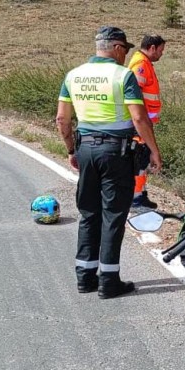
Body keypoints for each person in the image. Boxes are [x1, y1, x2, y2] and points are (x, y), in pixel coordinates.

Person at [56, 26, 162, 298]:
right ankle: (109, 281)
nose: (126, 55)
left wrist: (71, 150)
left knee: (89, 213)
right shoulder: (123, 76)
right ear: (116, 48)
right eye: (125, 50)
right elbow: (139, 118)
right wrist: (153, 150)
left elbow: (62, 120)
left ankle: (85, 277)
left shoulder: (73, 75)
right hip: (116, 152)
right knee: (113, 215)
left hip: (86, 149)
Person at [127, 33, 166, 209]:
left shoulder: (143, 62)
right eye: (161, 50)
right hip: (140, 122)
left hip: (144, 121)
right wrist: (142, 120)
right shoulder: (141, 64)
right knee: (139, 160)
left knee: (142, 159)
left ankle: (140, 195)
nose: (161, 54)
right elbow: (136, 93)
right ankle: (136, 198)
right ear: (152, 48)